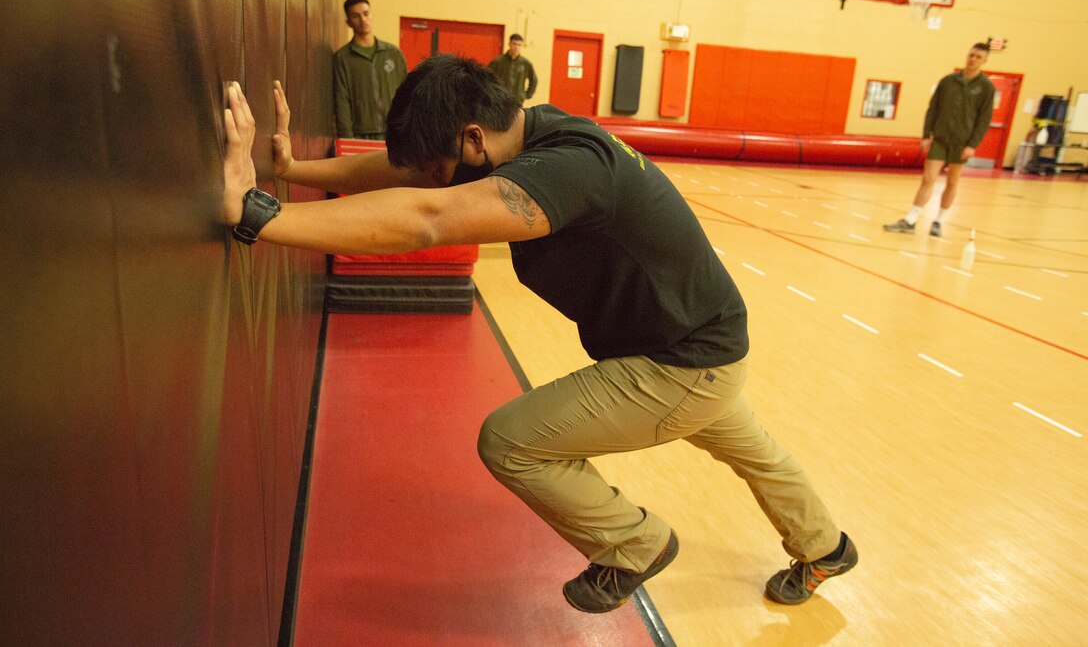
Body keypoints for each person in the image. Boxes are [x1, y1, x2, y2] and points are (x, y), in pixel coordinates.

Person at [220, 56, 857, 611]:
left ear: (473, 140)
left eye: (441, 166)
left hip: (681, 364)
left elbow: (427, 218)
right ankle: (828, 547)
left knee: (512, 441)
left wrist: (258, 217)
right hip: (706, 341)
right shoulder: (526, 132)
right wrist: (298, 172)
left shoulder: (566, 170)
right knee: (757, 453)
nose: (432, 178)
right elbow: (415, 178)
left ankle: (634, 542)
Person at [884, 42, 995, 237]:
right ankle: (911, 219)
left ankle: (939, 221)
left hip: (962, 143)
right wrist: (927, 135)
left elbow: (984, 119)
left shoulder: (986, 87)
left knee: (952, 182)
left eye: (978, 57)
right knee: (928, 179)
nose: (973, 59)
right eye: (971, 55)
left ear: (984, 60)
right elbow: (932, 109)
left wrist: (972, 145)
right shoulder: (948, 81)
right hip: (941, 139)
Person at [333, 0, 408, 140]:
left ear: (372, 15)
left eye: (366, 14)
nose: (363, 20)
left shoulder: (394, 54)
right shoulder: (343, 58)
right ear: (348, 22)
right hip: (360, 134)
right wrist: (347, 138)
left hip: (393, 133)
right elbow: (341, 100)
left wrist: (405, 131)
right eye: (356, 16)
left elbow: (407, 95)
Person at [488, 34, 538, 104]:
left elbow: (534, 80)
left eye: (519, 45)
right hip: (500, 100)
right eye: (514, 44)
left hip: (517, 101)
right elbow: (487, 78)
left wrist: (526, 95)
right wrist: (493, 93)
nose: (516, 47)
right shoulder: (498, 61)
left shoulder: (526, 63)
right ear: (509, 44)